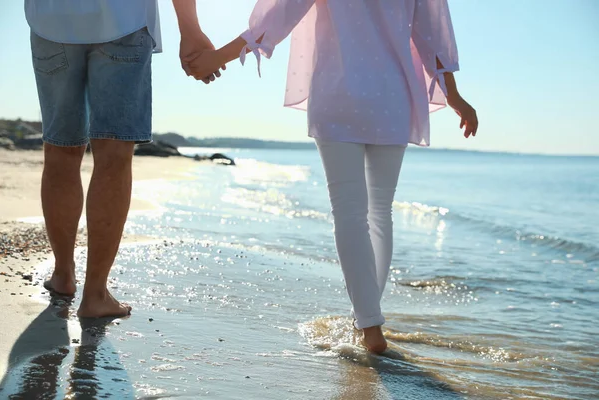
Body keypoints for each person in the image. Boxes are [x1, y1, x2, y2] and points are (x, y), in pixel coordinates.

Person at [187, 0, 478, 353]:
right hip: (393, 98)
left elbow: (280, 16)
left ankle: (369, 324)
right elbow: (433, 36)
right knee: (379, 212)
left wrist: (219, 57)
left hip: (338, 94)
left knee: (349, 213)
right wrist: (455, 95)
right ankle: (369, 318)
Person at [25, 0, 222, 318]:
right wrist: (190, 29)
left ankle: (63, 275)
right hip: (123, 18)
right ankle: (95, 294)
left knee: (61, 150)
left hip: (51, 18)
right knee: (113, 155)